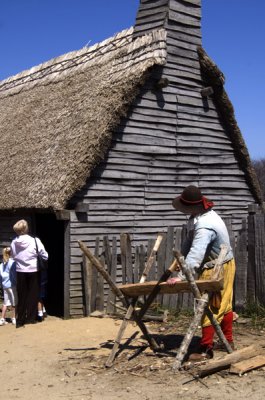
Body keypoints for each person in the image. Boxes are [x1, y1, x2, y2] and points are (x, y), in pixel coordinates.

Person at [168, 185, 236, 361]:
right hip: (223, 262)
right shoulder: (198, 217)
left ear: (192, 206)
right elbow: (187, 243)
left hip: (218, 266)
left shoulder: (205, 226)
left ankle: (206, 349)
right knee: (222, 303)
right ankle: (227, 340)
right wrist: (178, 263)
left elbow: (196, 255)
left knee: (208, 306)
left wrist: (181, 277)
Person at [10, 219, 48, 328]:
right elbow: (44, 255)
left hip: (20, 271)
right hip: (33, 270)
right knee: (33, 294)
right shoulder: (34, 240)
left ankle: (20, 320)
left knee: (21, 295)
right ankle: (30, 319)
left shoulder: (14, 241)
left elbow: (12, 256)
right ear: (26, 228)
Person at [0, 247, 17, 326]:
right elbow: (14, 275)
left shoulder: (1, 264)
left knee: (5, 303)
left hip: (4, 285)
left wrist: (2, 284)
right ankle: (14, 318)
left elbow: (0, 276)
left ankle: (2, 319)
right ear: (10, 253)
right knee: (14, 301)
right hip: (12, 285)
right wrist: (16, 282)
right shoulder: (12, 262)